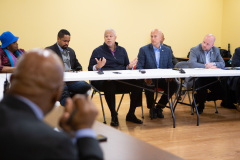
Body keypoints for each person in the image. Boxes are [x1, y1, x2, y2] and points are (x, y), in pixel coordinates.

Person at [0, 49, 103, 160]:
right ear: (57, 93)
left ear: (12, 79)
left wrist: (67, 132)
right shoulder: (54, 143)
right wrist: (84, 130)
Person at [88, 29, 143, 126]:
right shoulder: (97, 51)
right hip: (104, 82)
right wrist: (98, 66)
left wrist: (129, 67)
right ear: (104, 38)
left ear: (115, 38)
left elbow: (126, 66)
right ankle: (114, 114)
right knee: (110, 83)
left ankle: (131, 114)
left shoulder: (122, 50)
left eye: (111, 36)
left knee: (139, 84)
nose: (108, 38)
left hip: (121, 81)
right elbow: (90, 69)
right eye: (106, 36)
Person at [137, 29, 178, 118]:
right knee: (149, 84)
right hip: (149, 78)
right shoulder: (144, 50)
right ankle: (151, 108)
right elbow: (139, 67)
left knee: (174, 84)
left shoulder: (167, 50)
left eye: (155, 36)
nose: (153, 38)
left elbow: (170, 66)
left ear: (161, 38)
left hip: (163, 78)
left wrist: (170, 75)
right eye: (151, 36)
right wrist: (145, 77)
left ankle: (159, 107)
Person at [46, 29, 91, 106]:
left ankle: (77, 108)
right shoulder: (49, 51)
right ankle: (68, 111)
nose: (67, 43)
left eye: (68, 41)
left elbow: (78, 65)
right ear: (58, 39)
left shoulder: (71, 51)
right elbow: (47, 69)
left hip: (71, 80)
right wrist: (64, 72)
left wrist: (77, 69)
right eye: (64, 41)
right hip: (58, 81)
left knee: (86, 87)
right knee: (64, 91)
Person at [188, 34, 225, 114]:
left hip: (210, 77)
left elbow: (222, 64)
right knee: (202, 89)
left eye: (207, 44)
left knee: (221, 92)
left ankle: (198, 98)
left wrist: (213, 64)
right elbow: (191, 64)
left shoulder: (216, 50)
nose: (204, 45)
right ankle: (200, 105)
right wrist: (206, 67)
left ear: (212, 45)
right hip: (198, 77)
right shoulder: (195, 49)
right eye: (204, 42)